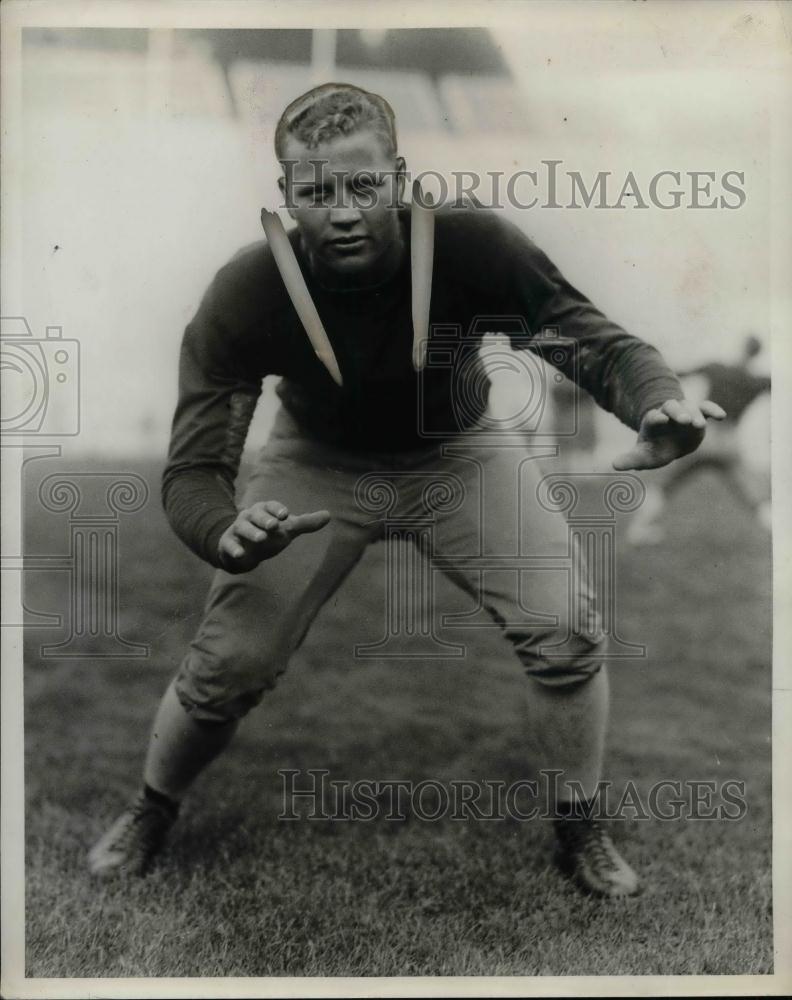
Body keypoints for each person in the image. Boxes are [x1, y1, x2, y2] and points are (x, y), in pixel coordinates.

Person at [88, 83, 725, 897]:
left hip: (456, 453)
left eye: (363, 186)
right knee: (230, 664)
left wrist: (655, 399)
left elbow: (589, 341)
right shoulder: (248, 291)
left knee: (564, 628)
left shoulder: (470, 247)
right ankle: (152, 806)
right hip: (318, 462)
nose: (343, 211)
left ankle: (580, 826)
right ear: (285, 198)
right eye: (316, 192)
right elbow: (193, 467)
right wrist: (223, 528)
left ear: (400, 175)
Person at [626, 335, 770, 545]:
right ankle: (782, 540)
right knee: (755, 496)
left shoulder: (717, 368)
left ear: (742, 348)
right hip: (730, 442)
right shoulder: (756, 381)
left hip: (702, 436)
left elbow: (679, 374)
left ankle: (639, 530)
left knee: (664, 483)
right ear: (757, 354)